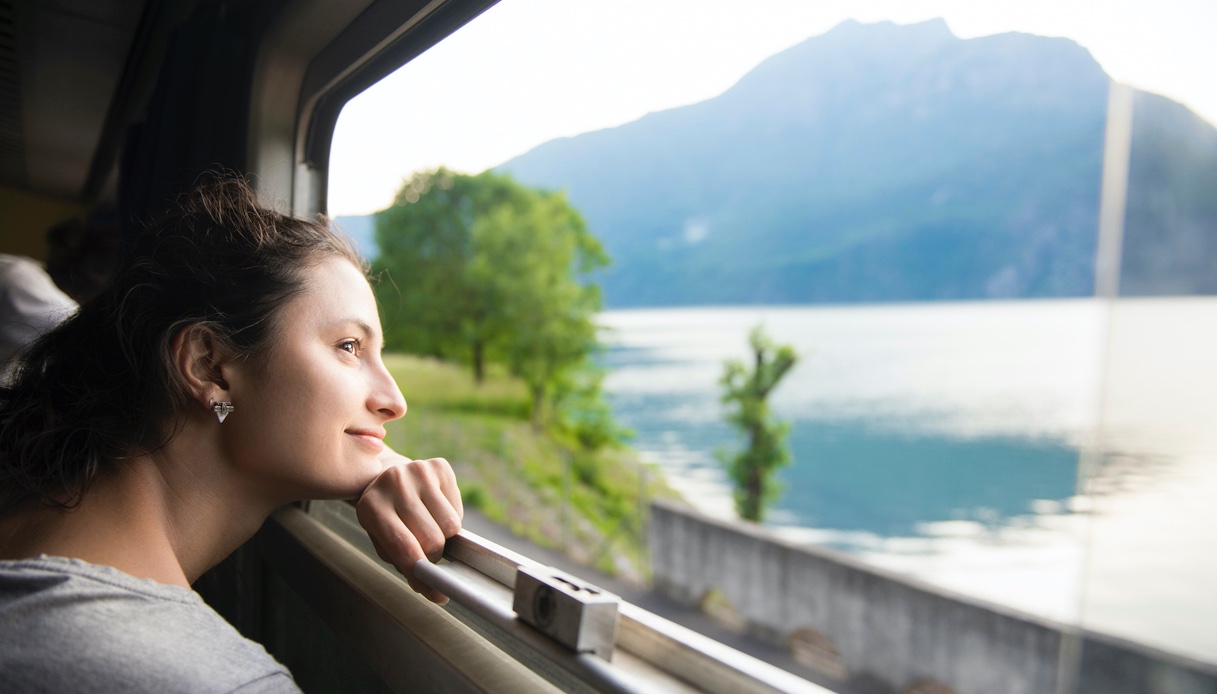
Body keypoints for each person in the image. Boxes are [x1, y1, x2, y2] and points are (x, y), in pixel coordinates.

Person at [0, 177, 463, 692]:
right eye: (349, 347)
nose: (395, 401)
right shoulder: (209, 682)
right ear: (209, 366)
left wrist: (372, 456)